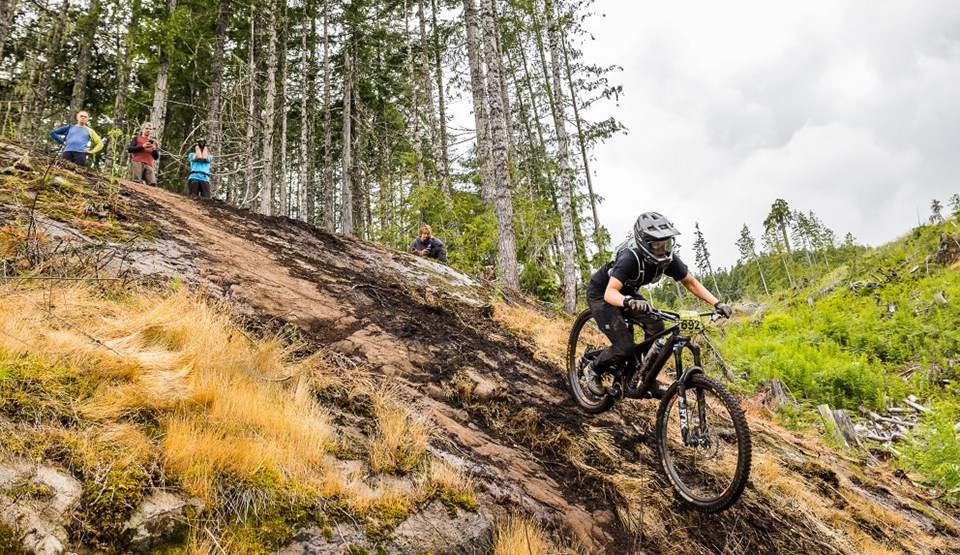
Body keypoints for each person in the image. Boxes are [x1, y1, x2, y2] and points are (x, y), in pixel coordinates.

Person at [582, 211, 733, 395]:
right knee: (625, 347)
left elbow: (690, 282)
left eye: (666, 243)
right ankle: (593, 369)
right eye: (656, 245)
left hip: (627, 292)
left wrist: (717, 304)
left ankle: (646, 378)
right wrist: (628, 301)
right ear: (645, 244)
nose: (663, 250)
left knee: (657, 326)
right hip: (602, 293)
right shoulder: (630, 258)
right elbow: (610, 292)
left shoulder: (667, 259)